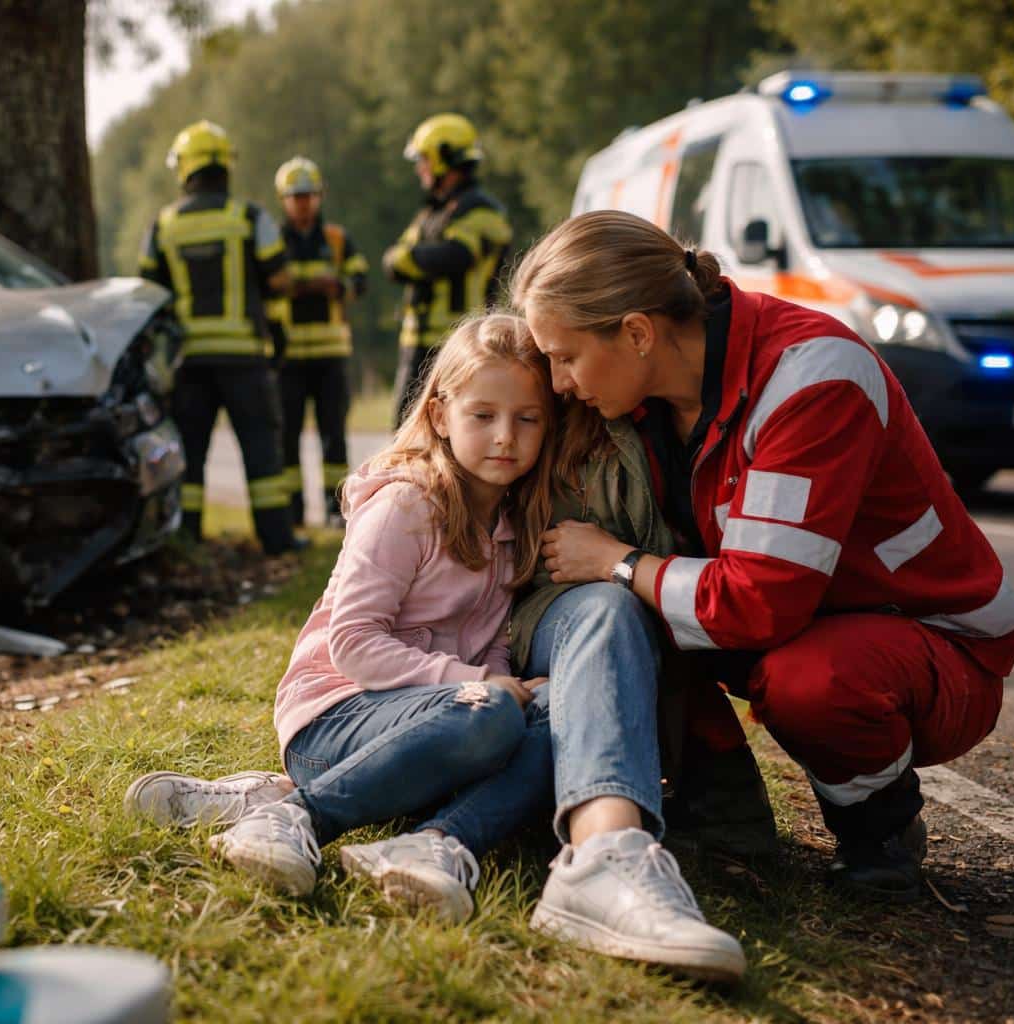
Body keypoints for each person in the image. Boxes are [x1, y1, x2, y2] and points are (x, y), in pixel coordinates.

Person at [126, 313, 747, 983]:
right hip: (340, 716)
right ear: (441, 412)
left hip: (444, 717)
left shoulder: (514, 524)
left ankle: (434, 845)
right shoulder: (406, 505)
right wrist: (477, 682)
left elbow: (496, 642)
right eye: (484, 415)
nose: (506, 438)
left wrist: (512, 682)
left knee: (559, 717)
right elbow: (354, 642)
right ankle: (294, 815)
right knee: (488, 712)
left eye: (528, 420)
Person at [512, 209, 1014, 905]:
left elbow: (755, 603)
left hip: (932, 648)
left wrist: (618, 561)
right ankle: (721, 813)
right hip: (799, 613)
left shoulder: (812, 377)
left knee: (806, 680)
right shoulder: (645, 392)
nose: (558, 383)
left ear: (637, 333)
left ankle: (877, 828)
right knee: (628, 620)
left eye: (564, 357)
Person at [139, 120, 301, 555]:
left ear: (184, 169)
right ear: (225, 165)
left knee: (190, 454)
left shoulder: (163, 225)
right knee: (261, 453)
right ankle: (278, 540)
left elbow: (150, 293)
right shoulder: (249, 217)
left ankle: (186, 537)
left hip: (189, 362)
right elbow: (281, 278)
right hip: (244, 356)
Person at [383, 113, 513, 427]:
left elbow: (456, 256)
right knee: (407, 431)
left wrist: (412, 258)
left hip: (466, 342)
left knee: (459, 433)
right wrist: (414, 257)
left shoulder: (481, 209)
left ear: (444, 158)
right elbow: (392, 262)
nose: (420, 168)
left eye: (424, 159)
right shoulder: (433, 212)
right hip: (418, 342)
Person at [266, 157, 369, 528]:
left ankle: (335, 509)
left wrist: (339, 286)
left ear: (319, 197)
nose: (304, 203)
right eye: (296, 197)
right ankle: (293, 510)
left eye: (309, 195)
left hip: (330, 354)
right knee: (288, 435)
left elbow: (360, 277)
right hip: (288, 356)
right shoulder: (272, 242)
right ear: (283, 199)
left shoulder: (337, 240)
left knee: (333, 436)